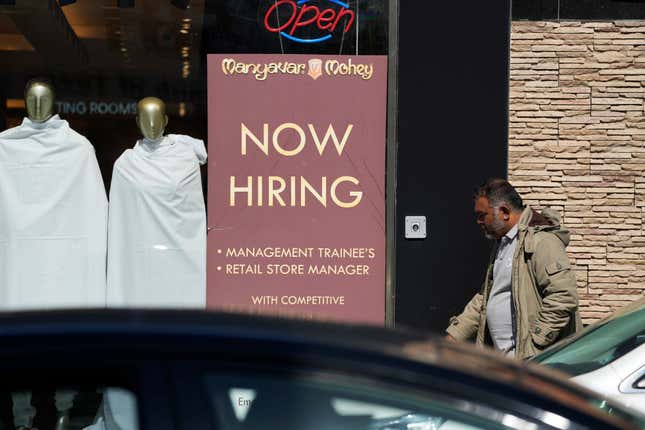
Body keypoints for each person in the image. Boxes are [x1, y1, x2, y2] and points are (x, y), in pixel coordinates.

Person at [445, 178, 582, 359]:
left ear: (504, 212)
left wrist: (535, 343)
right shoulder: (503, 244)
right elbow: (485, 299)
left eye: (482, 215)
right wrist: (454, 336)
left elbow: (563, 296)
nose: (478, 222)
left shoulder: (541, 241)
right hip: (504, 361)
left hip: (534, 363)